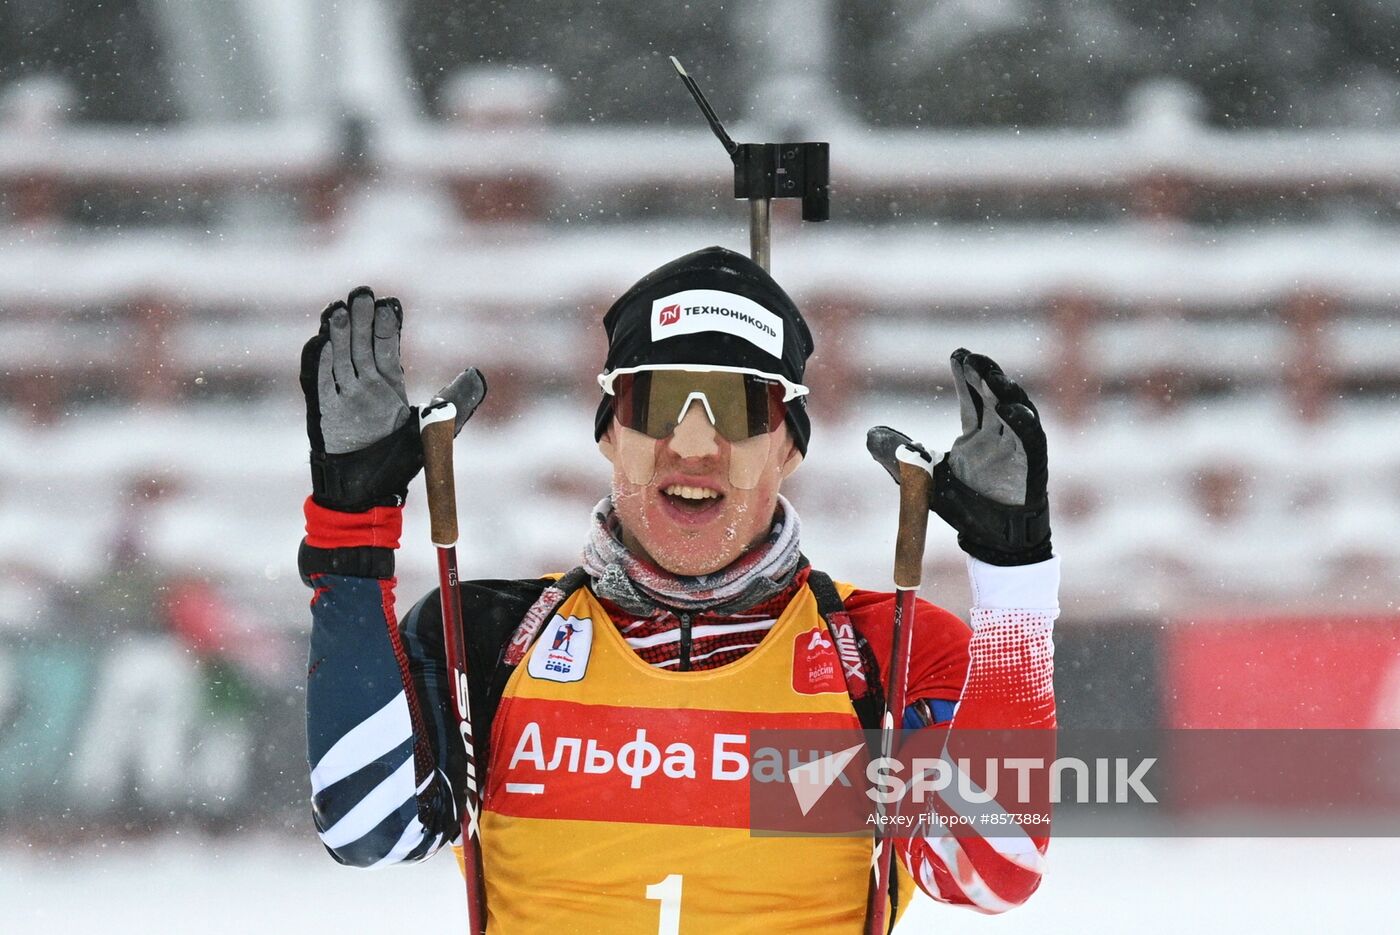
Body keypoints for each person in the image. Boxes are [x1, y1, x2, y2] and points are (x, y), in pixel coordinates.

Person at [299, 246, 1058, 931]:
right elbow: (369, 822)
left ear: (788, 446)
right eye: (658, 402)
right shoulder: (488, 637)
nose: (693, 446)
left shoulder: (886, 649)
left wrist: (1012, 581)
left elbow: (989, 871)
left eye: (737, 408)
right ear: (609, 434)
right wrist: (352, 532)